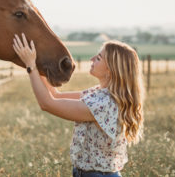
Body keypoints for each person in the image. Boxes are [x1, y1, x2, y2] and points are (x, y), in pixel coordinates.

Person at [12, 33, 144, 177]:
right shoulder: (98, 93)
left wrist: (30, 66)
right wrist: (37, 62)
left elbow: (47, 103)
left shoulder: (104, 104)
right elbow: (56, 95)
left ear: (111, 70)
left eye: (98, 58)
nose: (91, 59)